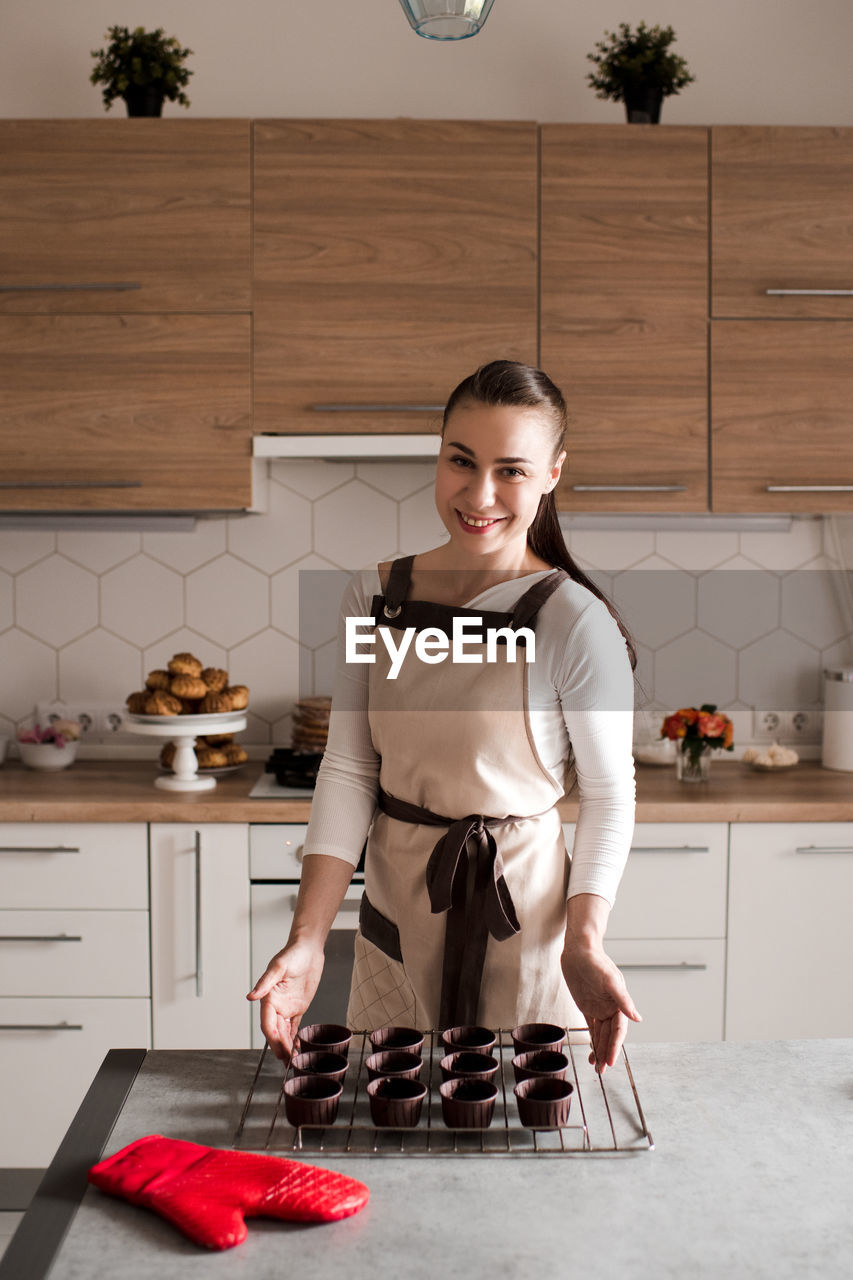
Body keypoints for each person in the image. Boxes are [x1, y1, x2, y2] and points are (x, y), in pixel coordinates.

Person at [249, 360, 640, 1073]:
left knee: (525, 1128)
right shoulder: (375, 596)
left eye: (511, 470)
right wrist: (308, 937)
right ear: (437, 454)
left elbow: (611, 795)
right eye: (460, 460)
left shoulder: (572, 621)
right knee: (392, 1119)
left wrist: (584, 942)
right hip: (397, 909)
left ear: (552, 473)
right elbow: (348, 769)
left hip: (522, 919)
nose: (479, 493)